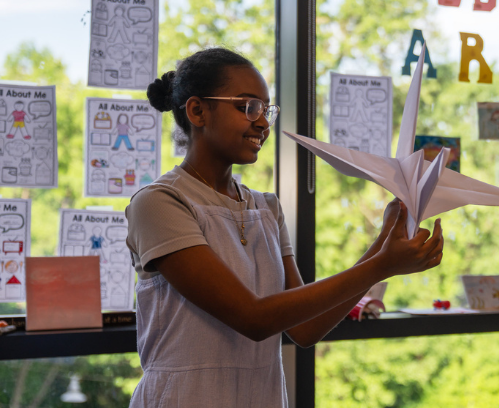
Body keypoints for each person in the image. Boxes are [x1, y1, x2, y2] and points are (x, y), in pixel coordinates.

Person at [125, 47, 443, 407]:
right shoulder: (159, 203)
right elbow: (253, 317)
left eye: (266, 110)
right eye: (248, 107)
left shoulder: (266, 207)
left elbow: (305, 329)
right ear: (197, 110)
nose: (262, 123)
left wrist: (385, 238)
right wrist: (381, 265)